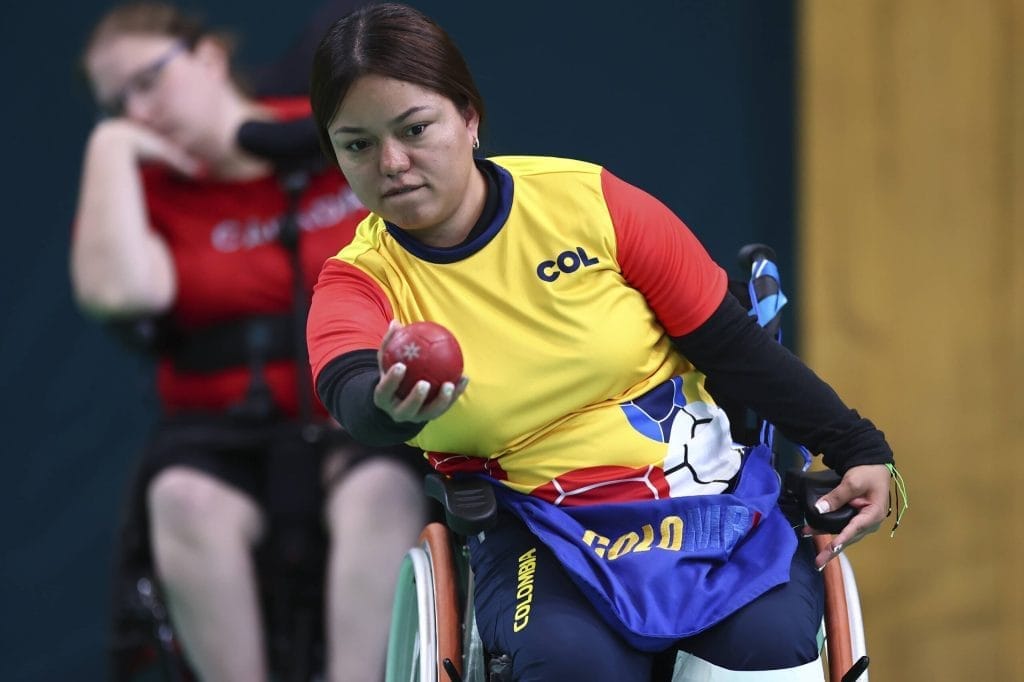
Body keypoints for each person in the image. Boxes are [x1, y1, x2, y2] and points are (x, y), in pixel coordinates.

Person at [305, 4, 900, 680]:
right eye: (357, 145)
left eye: (415, 129)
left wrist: (857, 447)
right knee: (572, 662)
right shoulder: (357, 282)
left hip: (702, 496)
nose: (392, 162)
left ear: (469, 118)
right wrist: (389, 408)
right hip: (535, 525)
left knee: (769, 644)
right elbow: (351, 389)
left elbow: (734, 347)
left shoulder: (591, 202)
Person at [70, 3, 428, 681]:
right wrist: (110, 148)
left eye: (147, 81)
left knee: (382, 489)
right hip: (220, 435)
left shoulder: (333, 133)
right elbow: (119, 293)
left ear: (208, 57)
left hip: (356, 411)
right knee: (181, 498)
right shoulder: (145, 188)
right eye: (116, 104)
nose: (138, 112)